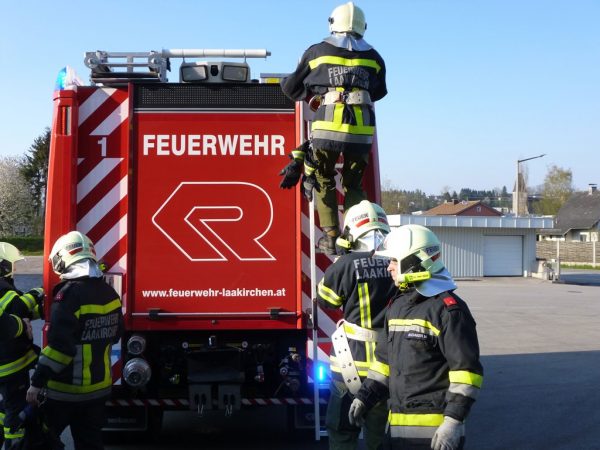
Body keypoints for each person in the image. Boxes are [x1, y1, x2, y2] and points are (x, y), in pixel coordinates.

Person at [348, 225, 483, 450]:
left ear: (414, 261)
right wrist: (365, 397)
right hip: (396, 433)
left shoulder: (448, 311)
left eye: (394, 260)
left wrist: (453, 421)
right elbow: (383, 364)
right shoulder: (397, 306)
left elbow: (467, 373)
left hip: (435, 437)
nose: (389, 267)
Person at [280, 1, 387, 255]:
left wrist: (317, 91)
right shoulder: (374, 57)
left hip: (327, 128)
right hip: (361, 132)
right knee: (354, 185)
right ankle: (355, 235)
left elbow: (291, 88)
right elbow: (379, 92)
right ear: (362, 26)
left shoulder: (316, 52)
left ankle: (330, 237)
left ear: (332, 23)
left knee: (322, 177)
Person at [26, 231, 124, 450]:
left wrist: (37, 383)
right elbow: (117, 333)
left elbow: (60, 349)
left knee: (39, 441)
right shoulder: (110, 293)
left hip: (66, 391)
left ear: (63, 259)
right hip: (98, 391)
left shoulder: (68, 296)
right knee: (90, 444)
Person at [316, 201, 396, 450]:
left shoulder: (344, 264)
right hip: (386, 364)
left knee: (342, 430)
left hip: (348, 362)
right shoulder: (396, 262)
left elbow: (326, 300)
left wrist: (341, 259)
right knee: (380, 433)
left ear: (352, 230)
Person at [0, 242, 44, 450]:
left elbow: (21, 313)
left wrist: (41, 311)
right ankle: (14, 442)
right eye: (13, 265)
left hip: (8, 366)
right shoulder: (3, 289)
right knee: (16, 410)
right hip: (10, 367)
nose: (14, 269)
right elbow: (17, 307)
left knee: (8, 406)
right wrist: (37, 292)